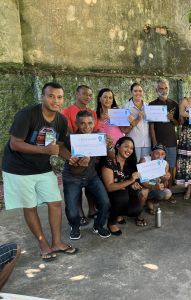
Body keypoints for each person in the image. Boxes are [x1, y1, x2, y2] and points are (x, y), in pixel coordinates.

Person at [2, 82, 77, 260]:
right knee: (30, 206)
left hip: (42, 168)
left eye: (59, 97)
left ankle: (57, 242)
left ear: (63, 100)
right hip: (18, 169)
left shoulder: (61, 120)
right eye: (51, 96)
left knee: (55, 202)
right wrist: (45, 151)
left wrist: (70, 158)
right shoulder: (27, 114)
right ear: (43, 97)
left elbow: (57, 146)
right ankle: (43, 243)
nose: (55, 100)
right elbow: (15, 143)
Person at [62, 110, 111, 240]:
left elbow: (102, 154)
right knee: (72, 210)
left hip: (91, 175)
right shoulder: (70, 140)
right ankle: (74, 226)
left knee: (105, 202)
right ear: (76, 123)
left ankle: (98, 226)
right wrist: (79, 163)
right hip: (72, 177)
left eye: (89, 123)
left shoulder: (97, 136)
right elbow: (72, 167)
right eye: (82, 123)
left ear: (94, 123)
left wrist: (108, 146)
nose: (86, 126)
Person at [61, 85, 98, 222]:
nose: (87, 97)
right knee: (76, 181)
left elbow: (94, 130)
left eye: (89, 95)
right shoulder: (67, 110)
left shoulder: (92, 112)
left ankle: (92, 208)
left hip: (89, 147)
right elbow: (69, 130)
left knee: (90, 178)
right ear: (77, 94)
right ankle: (80, 212)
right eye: (84, 94)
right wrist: (78, 143)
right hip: (74, 148)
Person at [101, 136, 145, 235]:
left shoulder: (130, 163)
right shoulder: (109, 161)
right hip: (109, 194)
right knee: (122, 196)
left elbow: (130, 182)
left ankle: (118, 214)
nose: (129, 150)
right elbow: (109, 187)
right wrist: (130, 181)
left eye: (131, 148)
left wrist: (134, 184)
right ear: (117, 146)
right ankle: (111, 222)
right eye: (126, 146)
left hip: (122, 193)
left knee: (136, 209)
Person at [149, 79, 180, 188]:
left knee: (171, 167)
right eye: (161, 88)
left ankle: (169, 190)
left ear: (168, 88)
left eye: (166, 88)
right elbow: (151, 126)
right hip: (159, 142)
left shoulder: (174, 104)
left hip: (171, 141)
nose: (164, 90)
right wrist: (154, 143)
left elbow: (178, 123)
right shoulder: (151, 104)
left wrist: (172, 119)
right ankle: (158, 190)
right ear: (156, 90)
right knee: (158, 168)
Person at [140, 144, 173, 214]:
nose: (160, 156)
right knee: (144, 192)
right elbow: (142, 182)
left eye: (163, 154)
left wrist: (165, 179)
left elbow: (164, 184)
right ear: (151, 153)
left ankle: (150, 201)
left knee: (167, 193)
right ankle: (139, 213)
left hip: (155, 186)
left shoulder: (165, 164)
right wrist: (153, 186)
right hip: (143, 186)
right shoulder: (144, 160)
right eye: (157, 153)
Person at [124, 82, 151, 161]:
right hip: (133, 142)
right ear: (131, 92)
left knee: (145, 166)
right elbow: (125, 128)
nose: (138, 93)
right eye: (135, 91)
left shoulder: (148, 106)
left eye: (140, 91)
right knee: (134, 166)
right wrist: (138, 118)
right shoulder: (126, 107)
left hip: (147, 142)